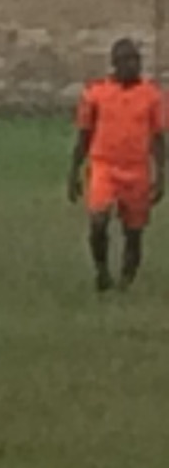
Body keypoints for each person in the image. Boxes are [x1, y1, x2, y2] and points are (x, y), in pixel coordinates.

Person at [70, 38, 166, 291]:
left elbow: (158, 138)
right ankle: (102, 272)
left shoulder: (151, 95)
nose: (133, 65)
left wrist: (161, 176)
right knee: (98, 220)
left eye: (136, 60)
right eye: (127, 60)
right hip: (104, 166)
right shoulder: (96, 93)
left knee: (133, 232)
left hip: (137, 169)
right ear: (115, 64)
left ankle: (125, 282)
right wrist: (73, 172)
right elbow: (84, 134)